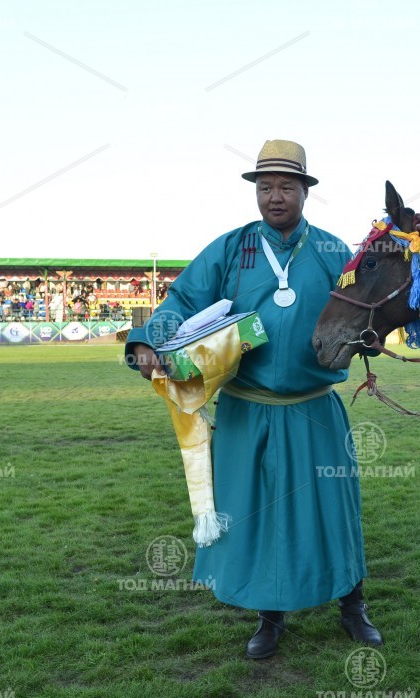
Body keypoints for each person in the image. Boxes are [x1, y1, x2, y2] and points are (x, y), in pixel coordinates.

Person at [124, 139, 381, 659]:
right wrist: (148, 340)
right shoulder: (230, 249)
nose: (275, 197)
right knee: (257, 514)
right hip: (246, 409)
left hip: (313, 407)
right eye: (265, 187)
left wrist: (370, 336)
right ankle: (269, 616)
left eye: (286, 186)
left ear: (305, 192)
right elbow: (182, 299)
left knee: (333, 510)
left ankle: (352, 605)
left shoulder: (333, 251)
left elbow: (365, 308)